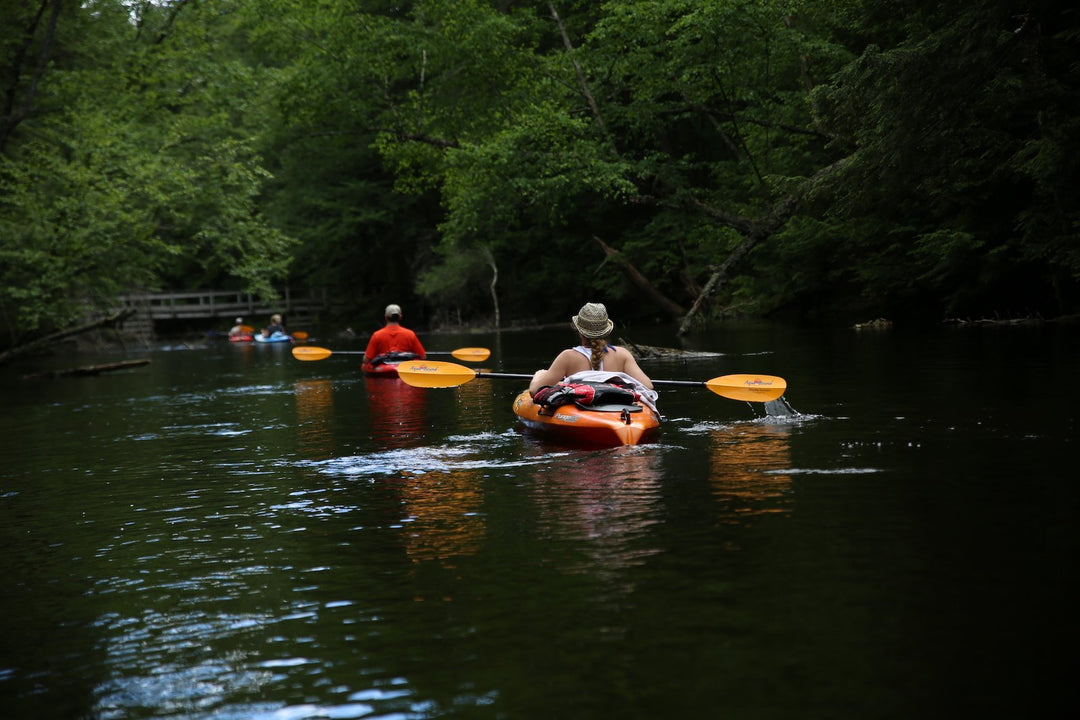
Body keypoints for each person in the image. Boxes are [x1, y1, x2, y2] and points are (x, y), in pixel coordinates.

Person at [529, 302, 654, 395]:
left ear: (579, 331)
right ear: (606, 330)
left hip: (582, 411)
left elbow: (535, 391)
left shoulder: (567, 357)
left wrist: (539, 375)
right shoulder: (622, 354)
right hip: (615, 411)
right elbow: (648, 386)